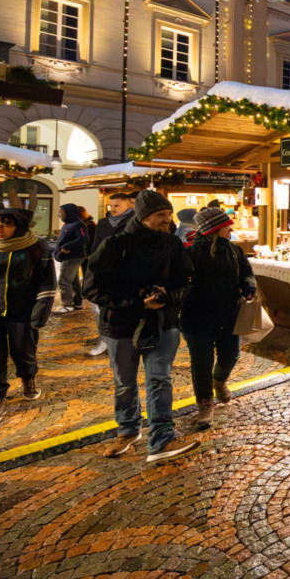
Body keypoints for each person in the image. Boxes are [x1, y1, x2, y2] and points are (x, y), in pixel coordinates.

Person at [82, 190, 200, 464]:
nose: (167, 220)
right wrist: (137, 302)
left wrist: (168, 296)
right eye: (161, 215)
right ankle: (127, 430)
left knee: (159, 378)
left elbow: (187, 280)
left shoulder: (172, 243)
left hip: (163, 322)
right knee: (124, 382)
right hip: (121, 325)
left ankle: (162, 438)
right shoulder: (115, 244)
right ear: (144, 216)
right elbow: (92, 288)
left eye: (168, 214)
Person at [0, 208, 55, 426]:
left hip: (23, 309)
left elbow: (47, 279)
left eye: (5, 225)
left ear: (17, 226)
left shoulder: (36, 247)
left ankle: (28, 378)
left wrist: (42, 309)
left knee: (23, 349)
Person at [181, 207, 256, 429]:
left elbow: (247, 273)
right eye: (226, 226)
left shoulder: (235, 250)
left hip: (228, 314)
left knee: (231, 355)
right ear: (214, 229)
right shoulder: (190, 252)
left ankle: (219, 380)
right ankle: (205, 404)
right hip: (197, 317)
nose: (230, 229)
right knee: (201, 363)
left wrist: (248, 287)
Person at [84, 193, 134, 357]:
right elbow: (95, 248)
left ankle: (122, 342)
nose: (112, 209)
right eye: (110, 206)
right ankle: (104, 340)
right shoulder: (104, 223)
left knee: (123, 310)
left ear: (128, 205)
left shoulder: (135, 222)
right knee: (99, 309)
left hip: (126, 274)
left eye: (116, 205)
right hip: (105, 273)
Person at [51, 203, 90, 313]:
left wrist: (67, 246)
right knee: (73, 280)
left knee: (64, 280)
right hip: (68, 256)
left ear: (69, 213)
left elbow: (83, 238)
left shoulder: (78, 225)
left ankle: (67, 305)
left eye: (61, 212)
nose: (59, 214)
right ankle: (77, 303)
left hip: (72, 256)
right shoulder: (68, 225)